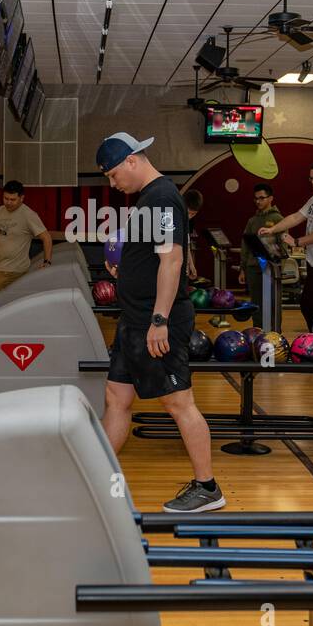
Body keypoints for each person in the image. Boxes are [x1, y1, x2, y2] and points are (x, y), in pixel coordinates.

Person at [96, 132, 222, 513]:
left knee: (178, 401)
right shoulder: (149, 199)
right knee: (116, 398)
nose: (114, 184)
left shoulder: (163, 198)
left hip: (155, 321)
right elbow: (152, 257)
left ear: (132, 161)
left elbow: (172, 261)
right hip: (134, 320)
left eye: (115, 175)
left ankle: (208, 487)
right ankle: (94, 474)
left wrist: (159, 320)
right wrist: (126, 267)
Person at [258, 160, 313, 333]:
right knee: (310, 305)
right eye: (310, 179)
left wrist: (297, 242)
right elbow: (296, 217)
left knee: (311, 305)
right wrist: (272, 229)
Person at [0, 180, 52, 304]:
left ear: (22, 198)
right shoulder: (0, 211)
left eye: (12, 199)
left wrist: (47, 261)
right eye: (5, 198)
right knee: (6, 306)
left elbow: (46, 237)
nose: (8, 202)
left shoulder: (28, 215)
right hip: (1, 268)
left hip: (14, 271)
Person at [238, 183, 283, 328]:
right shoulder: (252, 221)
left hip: (271, 269)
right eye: (256, 198)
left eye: (262, 198)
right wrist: (242, 268)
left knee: (272, 303)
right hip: (253, 268)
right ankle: (258, 334)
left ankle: (275, 334)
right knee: (256, 304)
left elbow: (283, 245)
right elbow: (245, 246)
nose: (258, 201)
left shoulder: (278, 219)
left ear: (271, 198)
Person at [184, 188, 204, 281]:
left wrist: (191, 265)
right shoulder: (174, 219)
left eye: (193, 214)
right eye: (188, 213)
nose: (190, 217)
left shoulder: (188, 223)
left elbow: (187, 245)